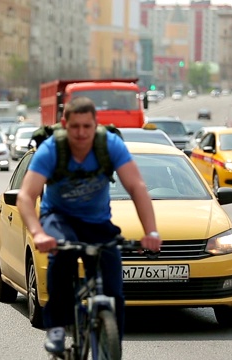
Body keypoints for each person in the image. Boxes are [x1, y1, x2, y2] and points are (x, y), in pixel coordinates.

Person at [16, 96, 162, 354]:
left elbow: (136, 187)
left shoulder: (109, 145)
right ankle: (57, 328)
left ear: (96, 125)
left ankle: (109, 341)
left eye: (87, 126)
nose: (81, 133)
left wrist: (150, 231)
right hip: (58, 218)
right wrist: (38, 233)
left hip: (97, 222)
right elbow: (26, 196)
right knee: (61, 258)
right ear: (64, 124)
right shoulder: (52, 149)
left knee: (114, 287)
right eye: (75, 127)